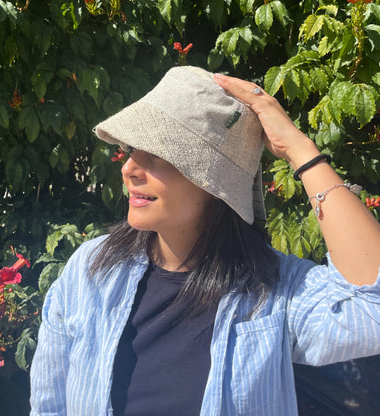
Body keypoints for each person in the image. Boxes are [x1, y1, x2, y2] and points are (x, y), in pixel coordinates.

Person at [29, 66, 380, 416]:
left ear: (214, 183)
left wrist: (300, 150)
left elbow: (371, 308)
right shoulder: (92, 270)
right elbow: (49, 408)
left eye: (157, 154)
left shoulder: (273, 292)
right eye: (133, 148)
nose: (129, 169)